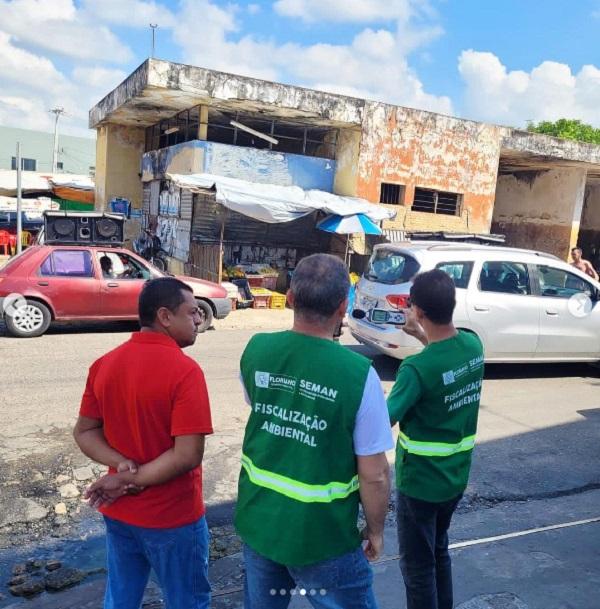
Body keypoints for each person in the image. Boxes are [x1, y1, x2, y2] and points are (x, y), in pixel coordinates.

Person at [236, 253, 393, 609]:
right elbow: (375, 474)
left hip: (260, 521)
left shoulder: (257, 349)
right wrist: (376, 530)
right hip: (323, 536)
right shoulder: (358, 374)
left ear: (290, 297)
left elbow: (264, 408)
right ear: (343, 307)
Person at [73, 277, 213, 609]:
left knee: (121, 596)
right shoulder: (185, 371)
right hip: (173, 517)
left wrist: (119, 466)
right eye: (192, 313)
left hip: (120, 512)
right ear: (165, 316)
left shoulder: (105, 364)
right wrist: (127, 476)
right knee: (188, 601)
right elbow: (187, 455)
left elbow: (85, 432)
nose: (198, 320)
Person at [387, 269, 484, 609]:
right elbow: (444, 359)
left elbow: (386, 418)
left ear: (419, 311)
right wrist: (420, 332)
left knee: (417, 567)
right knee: (439, 550)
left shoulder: (415, 369)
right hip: (454, 479)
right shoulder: (473, 347)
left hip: (420, 485)